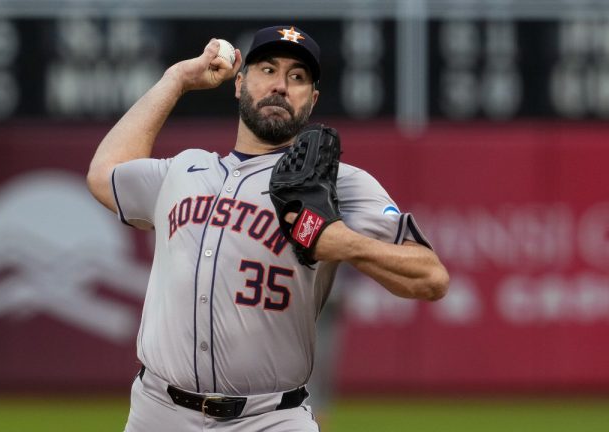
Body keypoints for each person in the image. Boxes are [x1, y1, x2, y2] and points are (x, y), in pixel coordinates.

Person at [87, 25, 449, 432]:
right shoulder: (185, 169)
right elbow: (104, 175)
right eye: (267, 70)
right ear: (239, 83)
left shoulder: (335, 182)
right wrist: (176, 80)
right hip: (158, 411)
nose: (280, 85)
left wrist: (343, 241)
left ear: (311, 100)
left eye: (297, 77)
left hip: (271, 419)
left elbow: (431, 277)